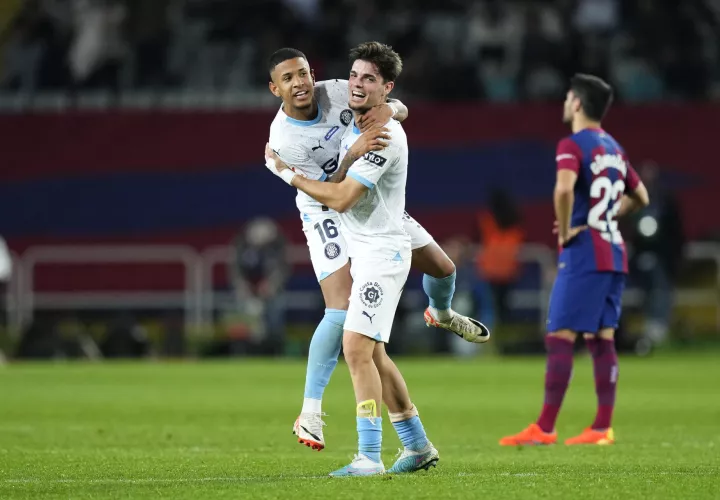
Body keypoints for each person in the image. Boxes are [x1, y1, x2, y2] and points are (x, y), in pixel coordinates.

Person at [264, 47, 489, 452]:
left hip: (372, 202)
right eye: (288, 78)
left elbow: (382, 100)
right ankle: (311, 410)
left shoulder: (336, 90)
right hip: (325, 208)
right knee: (341, 311)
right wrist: (348, 152)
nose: (299, 83)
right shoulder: (284, 140)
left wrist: (394, 110)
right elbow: (333, 189)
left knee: (444, 268)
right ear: (274, 88)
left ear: (312, 73)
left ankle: (440, 313)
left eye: (302, 73)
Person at [499, 74, 649, 446]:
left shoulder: (572, 144)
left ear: (577, 103)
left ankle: (545, 427)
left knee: (560, 335)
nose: (565, 102)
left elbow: (564, 188)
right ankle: (602, 427)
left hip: (585, 253)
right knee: (601, 338)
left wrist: (566, 230)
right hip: (615, 253)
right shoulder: (614, 148)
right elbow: (641, 195)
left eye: (568, 97)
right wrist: (609, 216)